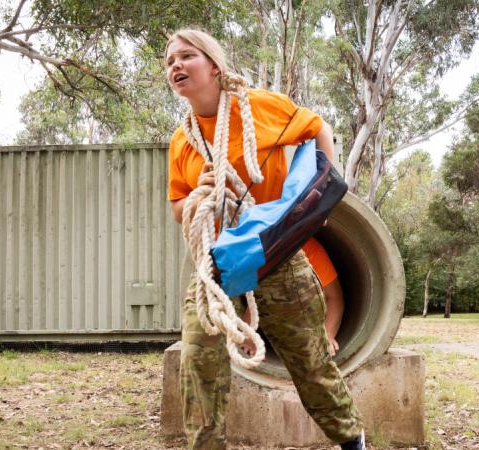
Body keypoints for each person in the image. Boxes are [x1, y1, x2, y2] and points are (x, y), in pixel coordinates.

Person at [165, 28, 365, 450]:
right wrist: (202, 190)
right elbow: (179, 210)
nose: (176, 66)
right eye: (170, 62)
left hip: (275, 255)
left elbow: (318, 129)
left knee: (311, 366)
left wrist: (316, 205)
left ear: (214, 65)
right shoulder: (181, 141)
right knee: (198, 363)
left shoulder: (258, 107)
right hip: (217, 269)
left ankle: (352, 440)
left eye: (186, 56)